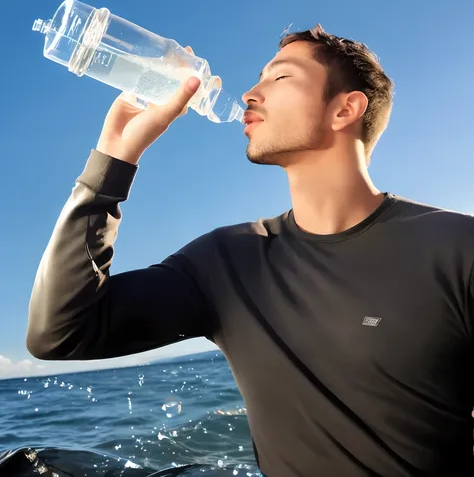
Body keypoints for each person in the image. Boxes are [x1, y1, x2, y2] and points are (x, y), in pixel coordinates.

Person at [27, 25, 474, 477]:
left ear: (345, 109)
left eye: (280, 78)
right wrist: (113, 159)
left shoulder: (457, 249)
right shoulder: (228, 262)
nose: (249, 94)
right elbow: (60, 332)